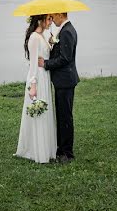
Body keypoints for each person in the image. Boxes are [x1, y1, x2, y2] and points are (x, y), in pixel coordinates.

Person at [14, 14, 57, 163]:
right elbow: (33, 64)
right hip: (37, 78)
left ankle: (47, 148)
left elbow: (45, 55)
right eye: (49, 19)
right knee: (39, 113)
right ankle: (36, 150)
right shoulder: (33, 37)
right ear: (41, 20)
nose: (51, 22)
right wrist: (33, 86)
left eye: (52, 19)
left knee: (45, 113)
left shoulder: (43, 35)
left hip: (45, 76)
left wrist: (52, 42)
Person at [38, 11, 78, 163]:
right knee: (62, 116)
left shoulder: (67, 31)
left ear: (60, 15)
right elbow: (61, 51)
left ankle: (67, 154)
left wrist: (46, 64)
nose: (52, 20)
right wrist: (53, 42)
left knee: (65, 117)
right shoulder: (65, 30)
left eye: (53, 16)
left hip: (65, 80)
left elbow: (65, 58)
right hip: (63, 80)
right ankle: (61, 149)